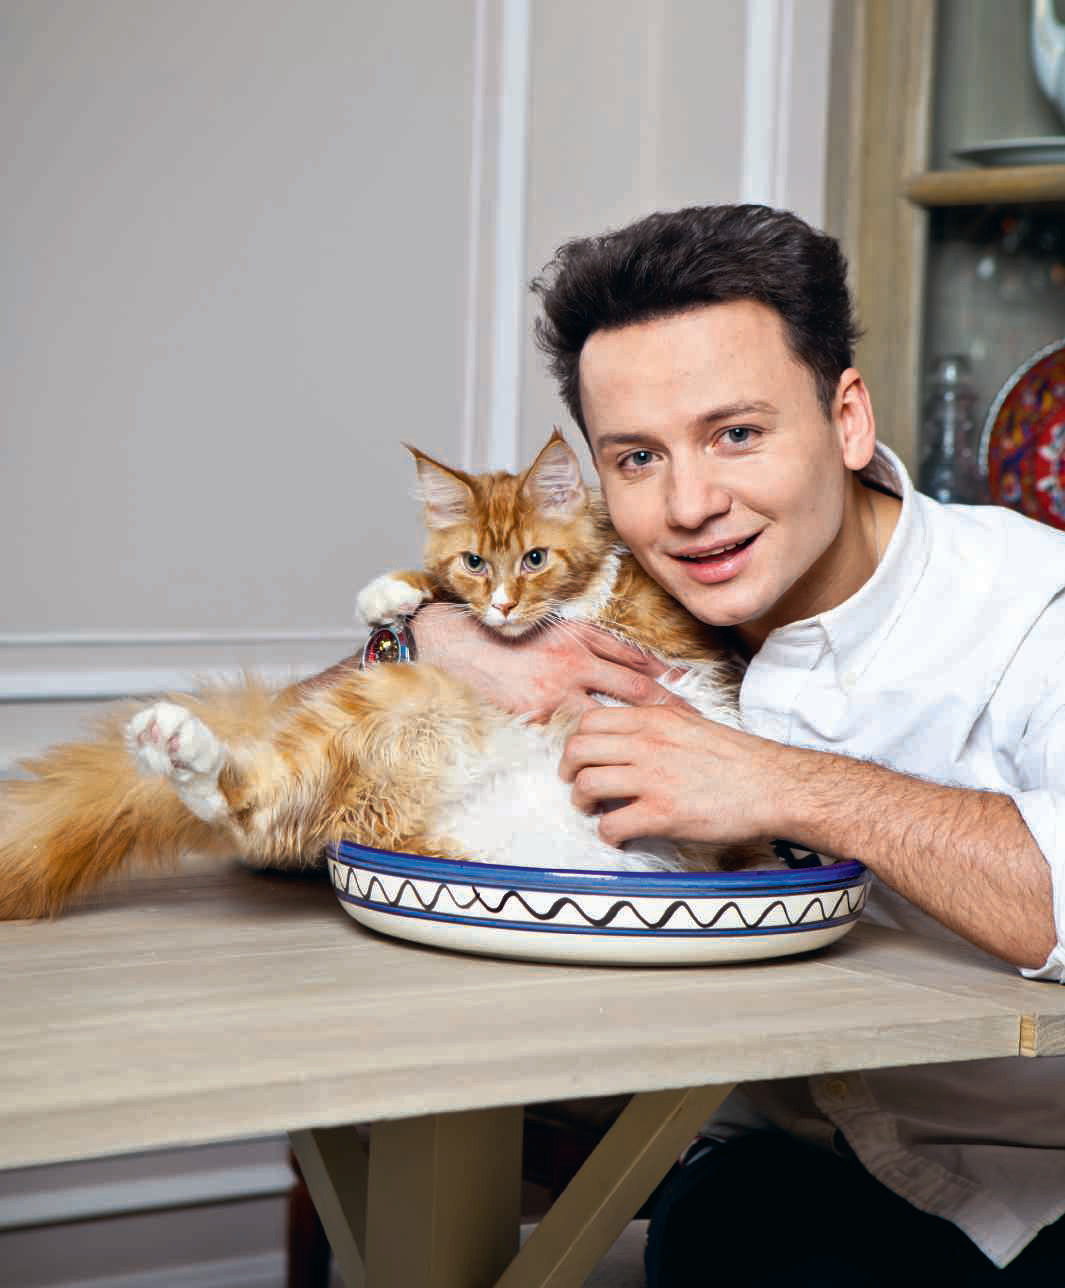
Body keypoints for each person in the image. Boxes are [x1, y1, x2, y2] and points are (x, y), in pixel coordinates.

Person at [404, 205, 1065, 1282]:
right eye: (638, 457)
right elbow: (284, 744)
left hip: (1040, 1188)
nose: (690, 506)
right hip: (765, 1174)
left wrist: (779, 784)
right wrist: (428, 634)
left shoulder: (1036, 609)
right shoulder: (608, 585)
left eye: (737, 435)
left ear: (846, 419)